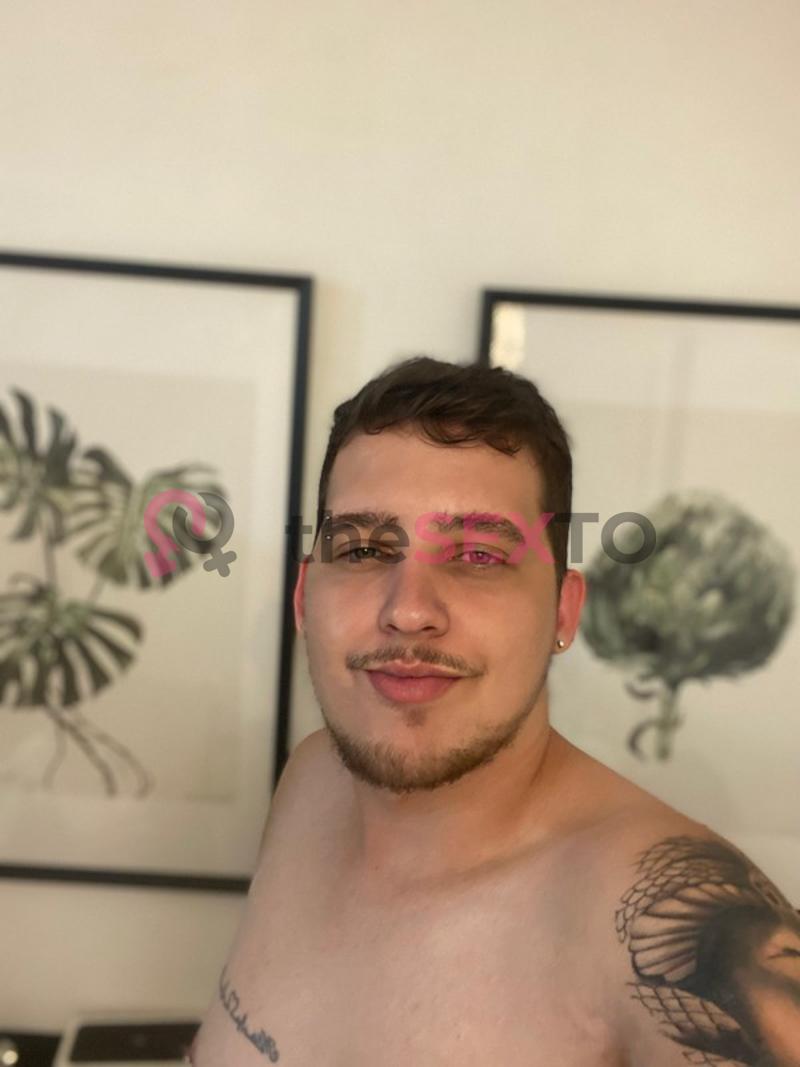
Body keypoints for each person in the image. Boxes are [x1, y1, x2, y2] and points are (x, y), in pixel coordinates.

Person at [192, 356, 799, 1066]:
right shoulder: (310, 782)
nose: (409, 610)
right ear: (304, 598)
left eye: (479, 555)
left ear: (563, 611)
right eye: (363, 549)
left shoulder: (669, 929)